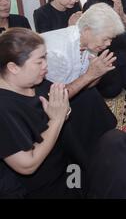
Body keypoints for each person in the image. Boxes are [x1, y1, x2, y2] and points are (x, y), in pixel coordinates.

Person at [41, 3, 123, 167]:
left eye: (111, 39)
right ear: (87, 30)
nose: (108, 44)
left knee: (96, 104)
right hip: (47, 103)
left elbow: (88, 83)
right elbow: (54, 99)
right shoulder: (58, 53)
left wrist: (98, 72)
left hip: (70, 91)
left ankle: (105, 146)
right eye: (106, 38)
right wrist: (91, 74)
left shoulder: (90, 43)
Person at [0, 28, 78, 198]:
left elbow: (58, 107)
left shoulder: (35, 81)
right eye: (39, 61)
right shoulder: (4, 108)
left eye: (45, 57)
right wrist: (56, 119)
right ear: (13, 67)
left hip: (63, 168)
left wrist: (62, 110)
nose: (46, 66)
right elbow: (27, 165)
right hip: (38, 188)